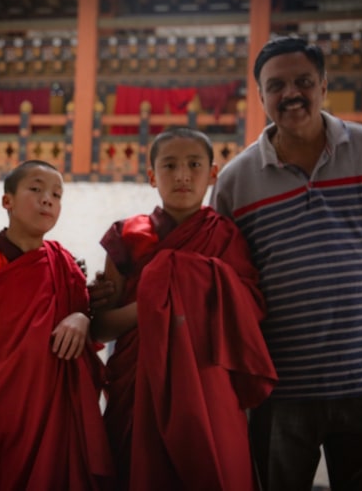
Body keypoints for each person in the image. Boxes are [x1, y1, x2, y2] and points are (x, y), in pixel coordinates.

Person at [210, 36, 362, 491]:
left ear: (324, 85)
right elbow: (225, 288)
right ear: (260, 96)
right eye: (276, 85)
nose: (291, 93)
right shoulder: (235, 182)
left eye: (303, 81)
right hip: (279, 387)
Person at [92, 128, 278, 490]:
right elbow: (100, 328)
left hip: (208, 386)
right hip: (137, 389)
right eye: (170, 165)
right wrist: (154, 304)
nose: (182, 175)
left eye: (194, 164)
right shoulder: (127, 235)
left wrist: (174, 286)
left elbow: (250, 313)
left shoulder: (226, 236)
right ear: (151, 176)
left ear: (212, 173)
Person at [0, 160, 115, 490]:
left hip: (55, 421)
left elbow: (86, 327)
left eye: (56, 194)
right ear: (7, 200)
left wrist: (82, 317)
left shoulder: (64, 264)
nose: (47, 199)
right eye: (35, 189)